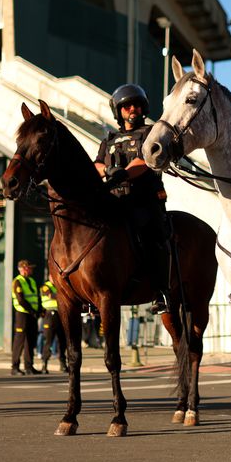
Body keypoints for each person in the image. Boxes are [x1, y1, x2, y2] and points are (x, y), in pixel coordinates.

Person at [94, 83, 171, 315]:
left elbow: (145, 161)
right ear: (119, 111)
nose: (132, 109)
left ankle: (161, 292)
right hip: (114, 201)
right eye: (126, 106)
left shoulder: (151, 133)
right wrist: (107, 172)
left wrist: (124, 173)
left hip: (144, 200)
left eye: (136, 105)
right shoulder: (109, 139)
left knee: (153, 236)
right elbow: (97, 163)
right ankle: (93, 291)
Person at [10, 259, 41, 375]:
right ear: (23, 269)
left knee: (30, 340)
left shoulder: (31, 281)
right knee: (19, 341)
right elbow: (20, 299)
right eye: (29, 267)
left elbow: (35, 297)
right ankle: (14, 367)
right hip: (22, 314)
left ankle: (29, 366)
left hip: (32, 314)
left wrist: (38, 311)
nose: (31, 269)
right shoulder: (17, 281)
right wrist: (32, 311)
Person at [39, 279, 67, 373]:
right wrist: (63, 296)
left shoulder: (59, 285)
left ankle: (63, 364)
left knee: (62, 341)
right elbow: (51, 295)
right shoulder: (46, 286)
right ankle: (44, 365)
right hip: (50, 315)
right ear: (50, 276)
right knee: (48, 341)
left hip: (60, 314)